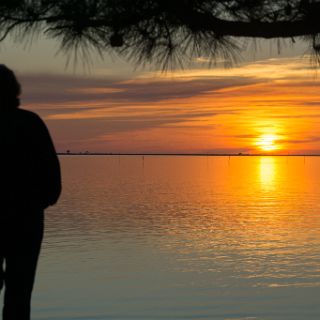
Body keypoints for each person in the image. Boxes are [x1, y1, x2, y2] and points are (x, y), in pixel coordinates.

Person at [0, 65, 61, 320]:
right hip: (27, 222)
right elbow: (52, 185)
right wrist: (34, 204)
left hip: (25, 218)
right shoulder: (31, 123)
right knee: (19, 295)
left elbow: (52, 185)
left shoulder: (30, 123)